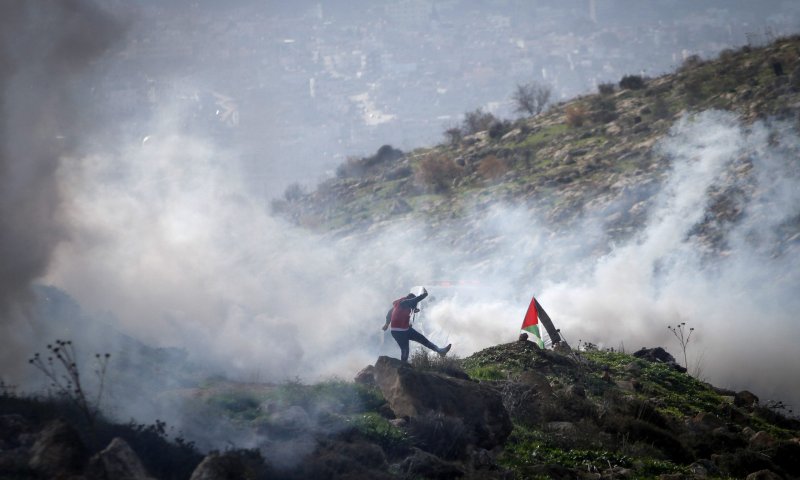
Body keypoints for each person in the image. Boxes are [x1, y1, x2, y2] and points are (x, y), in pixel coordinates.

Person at [382, 287, 451, 363]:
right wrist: (425, 294)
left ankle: (440, 351)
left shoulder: (399, 304)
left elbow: (390, 313)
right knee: (405, 349)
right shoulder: (405, 302)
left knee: (422, 339)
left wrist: (387, 324)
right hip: (399, 331)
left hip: (404, 330)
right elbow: (416, 300)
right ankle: (403, 366)